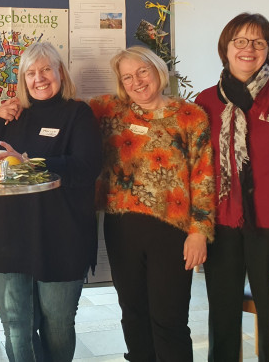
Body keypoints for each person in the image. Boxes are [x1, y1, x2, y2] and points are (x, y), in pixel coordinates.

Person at [195, 13, 269, 362]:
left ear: (268, 51)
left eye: (259, 43)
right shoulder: (206, 102)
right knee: (223, 310)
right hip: (222, 221)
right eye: (241, 42)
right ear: (226, 48)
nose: (249, 49)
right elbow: (199, 170)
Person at [88, 46, 215, 362]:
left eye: (142, 72)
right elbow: (59, 106)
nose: (137, 82)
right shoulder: (108, 111)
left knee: (168, 319)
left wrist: (199, 231)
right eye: (127, 77)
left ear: (157, 70)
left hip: (171, 231)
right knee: (132, 314)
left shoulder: (190, 115)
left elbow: (204, 176)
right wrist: (9, 108)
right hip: (122, 227)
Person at [0, 41, 103, 362]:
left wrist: (31, 162)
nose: (40, 78)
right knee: (16, 325)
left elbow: (87, 168)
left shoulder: (79, 113)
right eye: (31, 72)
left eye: (47, 69)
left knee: (57, 324)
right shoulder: (13, 115)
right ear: (23, 78)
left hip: (62, 234)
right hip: (12, 234)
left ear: (60, 72)